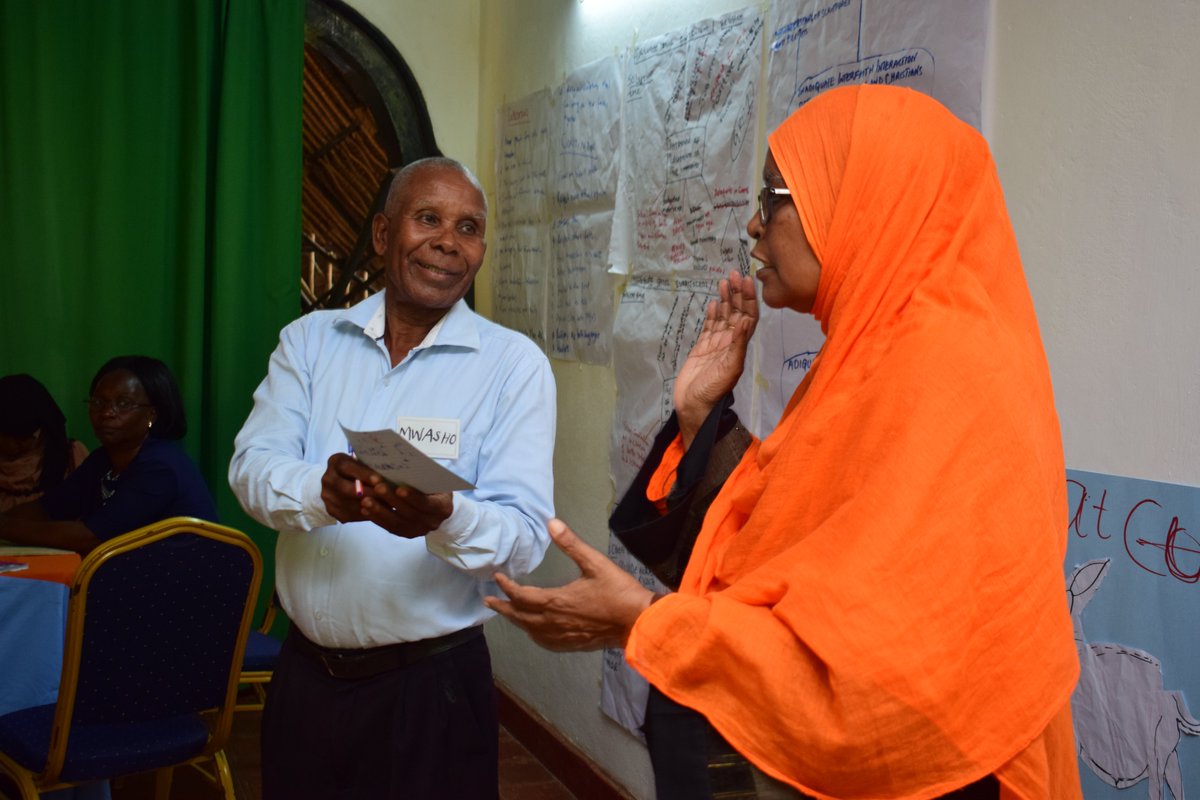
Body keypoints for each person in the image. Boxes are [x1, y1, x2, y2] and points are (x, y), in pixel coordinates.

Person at [487, 85, 1082, 799]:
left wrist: (646, 622)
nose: (752, 225)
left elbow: (885, 678)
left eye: (773, 196)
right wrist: (699, 415)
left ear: (864, 197)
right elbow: (801, 552)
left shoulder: (947, 368)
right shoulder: (873, 352)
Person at [229, 156, 556, 799]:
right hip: (305, 682)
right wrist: (320, 495)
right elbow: (251, 468)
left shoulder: (513, 367)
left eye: (468, 228)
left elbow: (526, 539)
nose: (447, 242)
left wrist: (447, 516)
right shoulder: (309, 342)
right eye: (427, 218)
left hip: (430, 691)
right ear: (382, 235)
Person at [0, 356, 217, 554]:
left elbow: (92, 538)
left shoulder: (161, 466)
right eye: (98, 402)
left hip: (177, 587)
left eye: (123, 404)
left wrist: (4, 527)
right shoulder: (102, 460)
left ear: (152, 414)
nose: (106, 413)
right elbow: (49, 508)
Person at [0, 373, 88, 513]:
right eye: (3, 437)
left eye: (21, 439)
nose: (11, 446)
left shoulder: (71, 458)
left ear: (39, 431)